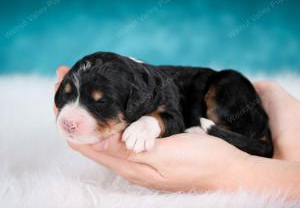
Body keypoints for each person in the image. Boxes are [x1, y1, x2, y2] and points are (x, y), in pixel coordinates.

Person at [54, 66, 300, 199]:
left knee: (229, 83)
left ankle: (225, 131)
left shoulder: (144, 93)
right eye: (67, 96)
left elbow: (170, 118)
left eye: (99, 102)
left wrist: (237, 170)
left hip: (229, 99)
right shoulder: (133, 87)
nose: (70, 117)